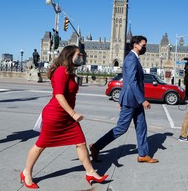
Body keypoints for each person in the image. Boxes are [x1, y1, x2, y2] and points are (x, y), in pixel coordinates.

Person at [20, 45, 108, 189]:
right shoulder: (61, 71)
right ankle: (26, 173)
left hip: (67, 116)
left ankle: (90, 172)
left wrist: (71, 114)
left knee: (80, 142)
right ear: (69, 55)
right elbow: (58, 95)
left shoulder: (70, 72)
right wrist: (73, 113)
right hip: (55, 115)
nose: (82, 57)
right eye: (79, 54)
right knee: (41, 144)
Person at [90, 35, 158, 164]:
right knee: (121, 128)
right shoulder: (131, 59)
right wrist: (142, 100)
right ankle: (96, 146)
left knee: (142, 127)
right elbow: (132, 82)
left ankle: (143, 154)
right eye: (143, 45)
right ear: (136, 45)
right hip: (132, 99)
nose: (145, 47)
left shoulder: (134, 58)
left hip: (135, 100)